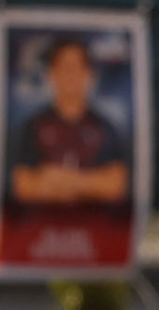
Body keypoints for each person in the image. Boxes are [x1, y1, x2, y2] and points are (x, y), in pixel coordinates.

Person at [9, 38, 130, 205]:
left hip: (95, 225)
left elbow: (115, 186)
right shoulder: (33, 125)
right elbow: (23, 187)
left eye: (77, 67)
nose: (71, 74)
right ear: (52, 74)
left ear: (89, 75)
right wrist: (92, 183)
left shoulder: (104, 126)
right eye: (64, 67)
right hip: (42, 225)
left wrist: (60, 179)